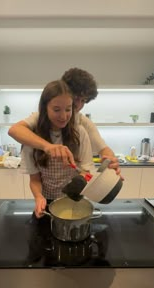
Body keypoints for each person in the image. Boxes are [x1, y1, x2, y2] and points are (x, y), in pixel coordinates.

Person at [8, 67, 121, 175]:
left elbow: (104, 149)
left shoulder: (83, 123)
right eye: (76, 98)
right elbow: (15, 130)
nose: (79, 105)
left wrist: (110, 161)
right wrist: (48, 146)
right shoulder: (41, 117)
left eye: (83, 101)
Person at [21, 80, 96, 218]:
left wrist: (81, 180)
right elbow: (35, 179)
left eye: (68, 109)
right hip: (47, 203)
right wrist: (38, 197)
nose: (63, 116)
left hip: (75, 201)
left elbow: (88, 172)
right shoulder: (33, 138)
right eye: (56, 110)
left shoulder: (79, 133)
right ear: (45, 108)